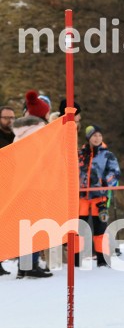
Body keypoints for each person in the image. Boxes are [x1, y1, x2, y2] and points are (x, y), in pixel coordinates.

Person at [12, 90, 53, 278]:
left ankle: (24, 264)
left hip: (21, 184)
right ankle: (31, 264)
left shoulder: (20, 133)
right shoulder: (40, 131)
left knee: (25, 225)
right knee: (34, 224)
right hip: (36, 184)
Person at [78, 126, 121, 267]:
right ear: (88, 137)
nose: (97, 138)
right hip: (82, 196)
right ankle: (76, 259)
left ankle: (102, 259)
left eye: (99, 135)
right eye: (94, 136)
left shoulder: (108, 155)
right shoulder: (80, 154)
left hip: (99, 197)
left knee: (100, 229)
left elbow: (115, 173)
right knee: (79, 228)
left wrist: (104, 182)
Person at [0, 105, 15, 275]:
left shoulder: (16, 136)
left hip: (11, 185)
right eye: (6, 117)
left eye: (12, 117)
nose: (9, 120)